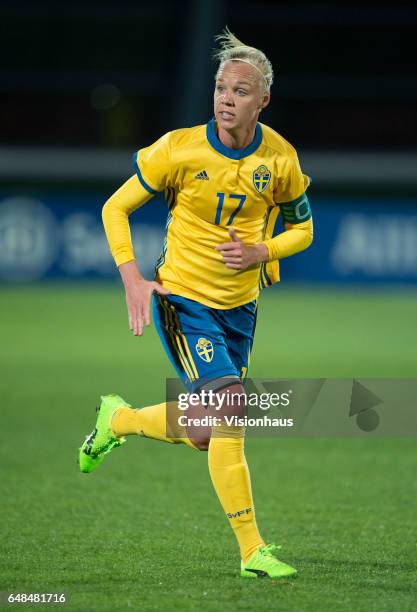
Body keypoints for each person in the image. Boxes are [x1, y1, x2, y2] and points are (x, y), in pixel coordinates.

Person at [79, 28, 313, 579]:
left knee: (208, 429)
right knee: (233, 407)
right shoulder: (179, 148)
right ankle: (253, 551)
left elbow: (303, 229)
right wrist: (133, 279)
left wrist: (264, 249)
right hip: (183, 299)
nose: (227, 97)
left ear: (263, 100)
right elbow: (115, 208)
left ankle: (120, 420)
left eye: (240, 90)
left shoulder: (279, 158)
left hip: (240, 308)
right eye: (220, 87)